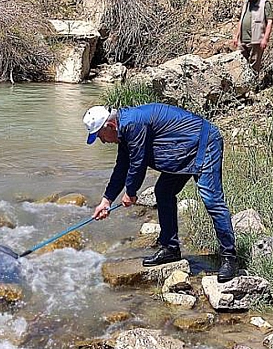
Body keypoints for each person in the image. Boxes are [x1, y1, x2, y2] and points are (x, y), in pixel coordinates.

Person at [83, 103, 238, 283]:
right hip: (184, 150)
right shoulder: (124, 129)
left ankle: (229, 258)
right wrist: (106, 200)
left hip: (205, 143)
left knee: (212, 201)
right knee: (163, 192)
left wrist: (131, 192)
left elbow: (138, 163)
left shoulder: (133, 124)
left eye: (100, 136)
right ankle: (170, 249)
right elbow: (122, 167)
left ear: (110, 126)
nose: (102, 141)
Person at [233, 0, 273, 73]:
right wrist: (236, 36)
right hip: (243, 39)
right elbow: (241, 20)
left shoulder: (265, 3)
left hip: (256, 39)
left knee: (254, 65)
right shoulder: (246, 2)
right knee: (242, 63)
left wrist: (265, 39)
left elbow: (270, 21)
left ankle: (253, 85)